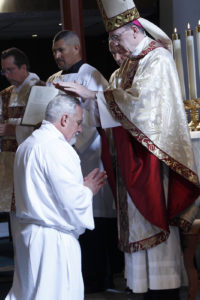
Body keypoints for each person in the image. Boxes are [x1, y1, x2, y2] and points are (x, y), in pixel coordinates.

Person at [53, 0, 200, 299]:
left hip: (150, 161)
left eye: (117, 38)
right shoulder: (125, 68)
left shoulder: (156, 59)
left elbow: (144, 107)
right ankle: (140, 287)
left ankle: (163, 288)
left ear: (135, 29)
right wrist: (82, 105)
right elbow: (109, 113)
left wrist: (92, 94)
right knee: (133, 234)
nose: (114, 47)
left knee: (152, 221)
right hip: (127, 161)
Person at [5, 94, 107, 300]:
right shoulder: (59, 148)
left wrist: (81, 188)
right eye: (78, 122)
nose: (79, 129)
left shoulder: (27, 144)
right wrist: (88, 190)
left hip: (28, 236)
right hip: (52, 242)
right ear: (64, 119)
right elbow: (71, 203)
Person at [47, 30, 123, 292]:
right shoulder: (52, 80)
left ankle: (100, 277)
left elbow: (108, 111)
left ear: (76, 48)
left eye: (61, 50)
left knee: (96, 216)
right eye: (54, 51)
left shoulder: (92, 75)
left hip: (91, 153)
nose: (57, 55)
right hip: (63, 156)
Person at [0, 47, 41, 213]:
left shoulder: (40, 89)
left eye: (11, 70)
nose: (7, 76)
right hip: (9, 163)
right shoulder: (5, 95)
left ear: (23, 68)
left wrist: (13, 130)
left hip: (32, 162)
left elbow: (46, 128)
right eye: (4, 71)